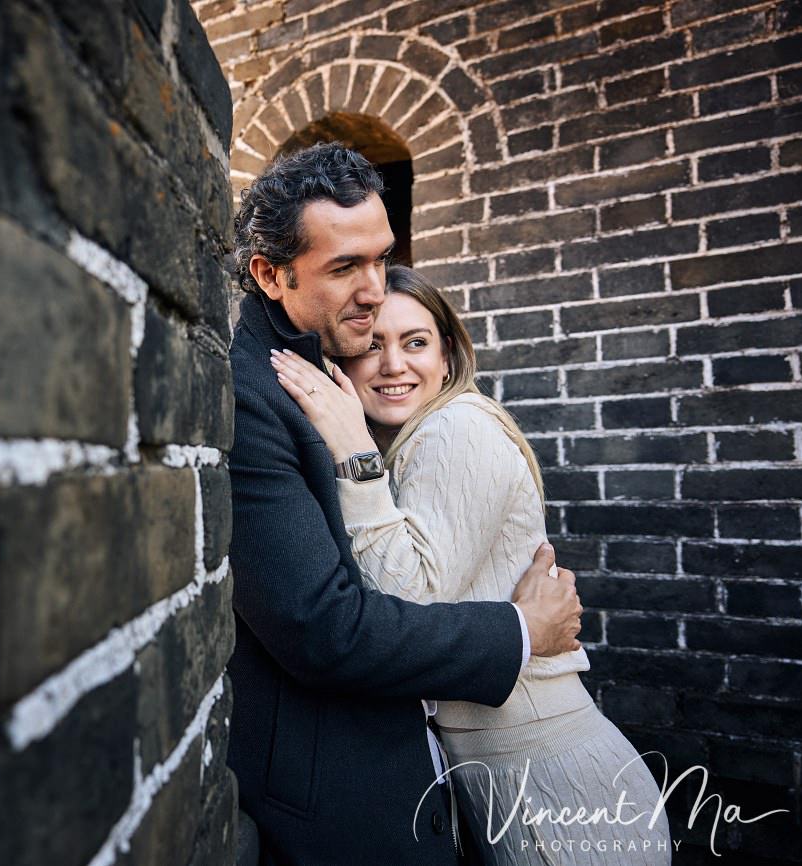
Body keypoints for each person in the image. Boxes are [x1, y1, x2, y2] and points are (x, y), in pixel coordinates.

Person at [227, 141, 584, 865]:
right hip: (336, 798)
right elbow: (326, 629)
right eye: (343, 267)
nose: (372, 288)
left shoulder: (346, 374)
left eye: (380, 257)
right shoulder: (253, 394)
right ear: (270, 273)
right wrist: (520, 630)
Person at [271, 264, 671, 864]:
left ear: (449, 353)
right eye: (372, 345)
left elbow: (404, 605)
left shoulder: (456, 428)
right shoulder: (412, 441)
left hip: (551, 783)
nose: (393, 365)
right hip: (500, 776)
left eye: (415, 342)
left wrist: (354, 455)